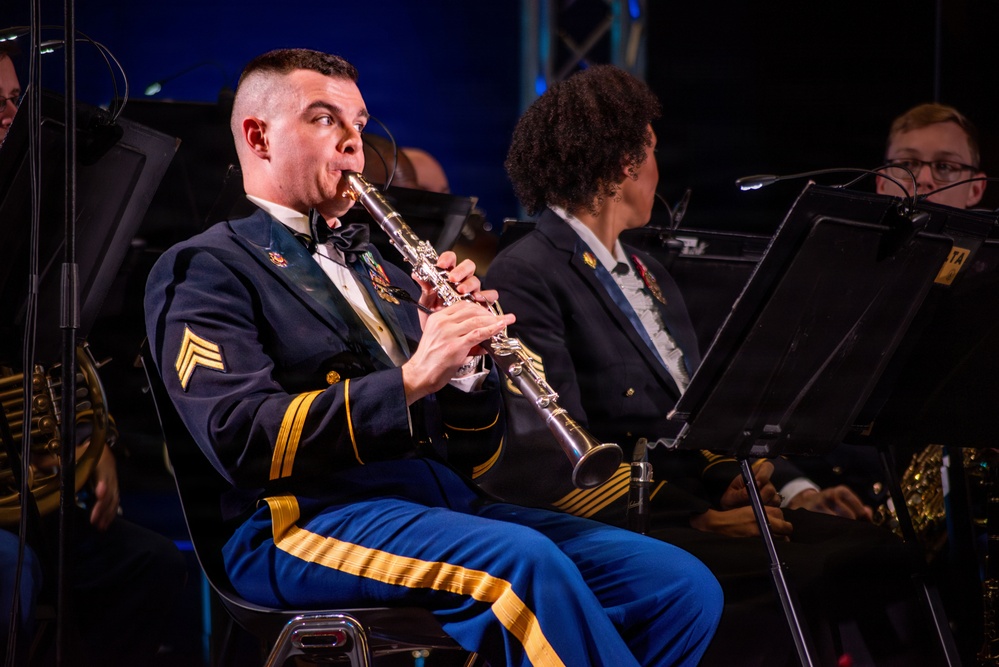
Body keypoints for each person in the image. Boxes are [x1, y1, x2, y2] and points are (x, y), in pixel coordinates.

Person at [143, 47, 723, 667]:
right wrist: (415, 376)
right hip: (299, 521)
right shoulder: (208, 267)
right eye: (323, 120)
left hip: (437, 505)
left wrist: (466, 372)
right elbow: (241, 439)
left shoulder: (381, 270)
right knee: (520, 566)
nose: (353, 143)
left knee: (678, 584)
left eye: (359, 123)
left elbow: (473, 454)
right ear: (258, 136)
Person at [479, 64, 945, 666]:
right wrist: (698, 518)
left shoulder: (650, 273)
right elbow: (553, 457)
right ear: (625, 165)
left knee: (883, 552)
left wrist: (735, 482)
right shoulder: (528, 272)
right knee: (815, 568)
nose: (656, 170)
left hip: (683, 504)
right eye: (650, 152)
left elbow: (688, 413)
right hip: (627, 521)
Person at [0, 43, 187, 666]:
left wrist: (94, 441)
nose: (9, 116)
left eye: (13, 100)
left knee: (152, 564)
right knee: (11, 572)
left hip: (33, 497)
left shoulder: (35, 216)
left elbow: (60, 355)